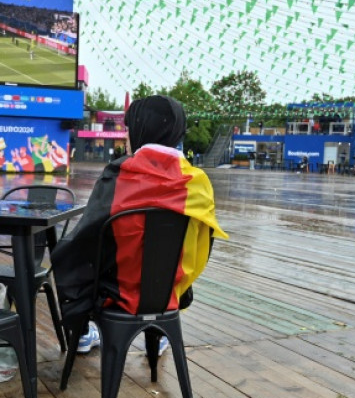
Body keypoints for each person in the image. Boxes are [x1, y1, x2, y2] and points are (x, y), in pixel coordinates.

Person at [52, 95, 228, 356]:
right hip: (169, 292)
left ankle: (82, 329)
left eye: (129, 129)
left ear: (140, 130)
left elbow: (86, 240)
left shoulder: (119, 174)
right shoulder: (198, 182)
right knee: (164, 256)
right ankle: (158, 332)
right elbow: (202, 246)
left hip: (118, 293)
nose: (126, 136)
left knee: (75, 254)